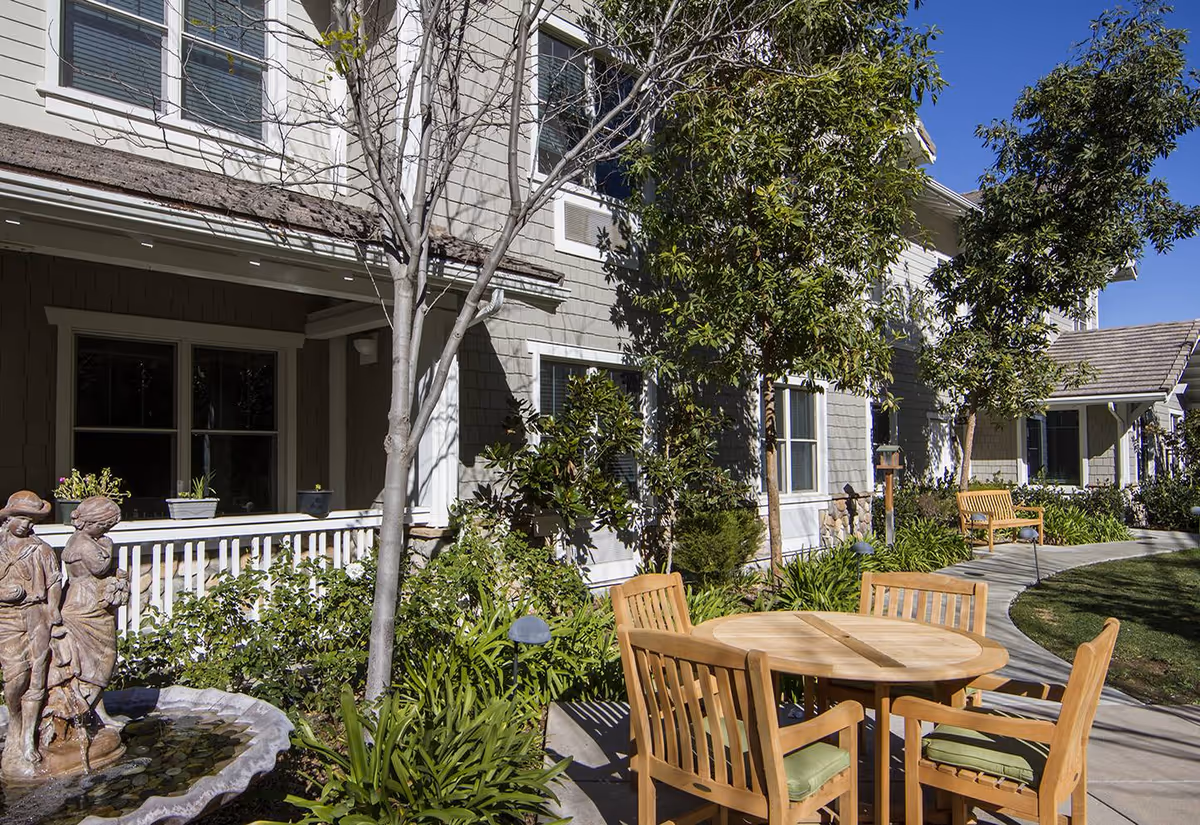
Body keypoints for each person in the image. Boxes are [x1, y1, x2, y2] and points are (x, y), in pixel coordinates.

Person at [48, 496, 128, 730]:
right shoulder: (84, 543)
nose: (105, 532)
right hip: (86, 605)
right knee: (101, 657)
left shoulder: (81, 539)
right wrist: (108, 544)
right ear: (91, 522)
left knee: (93, 660)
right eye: (103, 527)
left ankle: (96, 712)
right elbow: (100, 567)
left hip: (84, 600)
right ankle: (83, 713)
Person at [0, 490, 61, 769]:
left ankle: (27, 738)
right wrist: (4, 592)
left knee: (37, 674)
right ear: (8, 518)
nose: (25, 524)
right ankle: (14, 720)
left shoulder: (41, 549)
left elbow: (54, 583)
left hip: (37, 616)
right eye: (20, 518)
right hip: (7, 618)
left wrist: (53, 608)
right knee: (15, 677)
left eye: (30, 519)